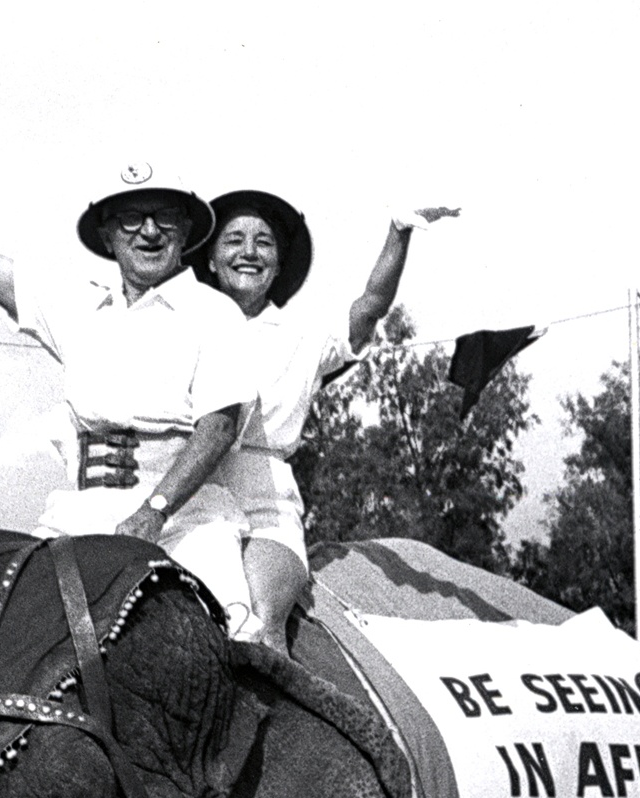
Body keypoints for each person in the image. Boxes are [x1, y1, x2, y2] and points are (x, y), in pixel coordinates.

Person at [0, 95, 254, 624]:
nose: (148, 231)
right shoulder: (77, 305)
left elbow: (218, 428)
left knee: (232, 630)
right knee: (13, 627)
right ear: (106, 235)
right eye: (131, 218)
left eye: (165, 217)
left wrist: (154, 512)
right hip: (83, 513)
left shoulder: (215, 313)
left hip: (188, 521)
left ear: (186, 231)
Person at [192, 189, 453, 648]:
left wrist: (399, 232)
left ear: (278, 265)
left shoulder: (303, 332)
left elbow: (370, 306)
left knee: (258, 620)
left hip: (265, 503)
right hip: (193, 490)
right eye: (233, 240)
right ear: (211, 260)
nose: (249, 252)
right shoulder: (185, 327)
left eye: (263, 243)